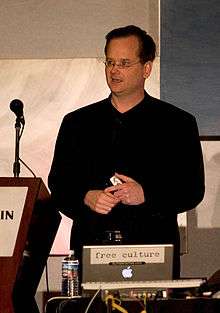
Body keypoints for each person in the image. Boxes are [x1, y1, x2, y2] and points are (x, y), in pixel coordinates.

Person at [48, 25, 205, 279]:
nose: (114, 70)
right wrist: (86, 197)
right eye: (110, 62)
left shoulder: (177, 123)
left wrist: (146, 194)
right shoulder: (77, 123)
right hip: (92, 247)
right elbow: (59, 184)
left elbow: (192, 189)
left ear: (146, 68)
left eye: (124, 63)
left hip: (153, 250)